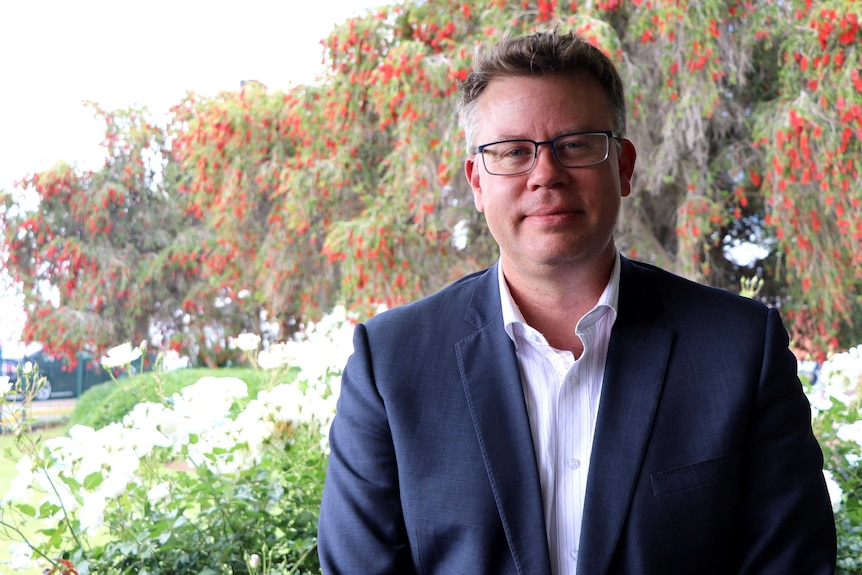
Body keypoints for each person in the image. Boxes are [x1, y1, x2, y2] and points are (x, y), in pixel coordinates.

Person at [317, 30, 837, 574]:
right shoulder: (391, 361)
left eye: (576, 145)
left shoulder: (738, 350)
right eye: (513, 151)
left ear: (625, 166)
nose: (546, 174)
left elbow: (792, 564)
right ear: (476, 181)